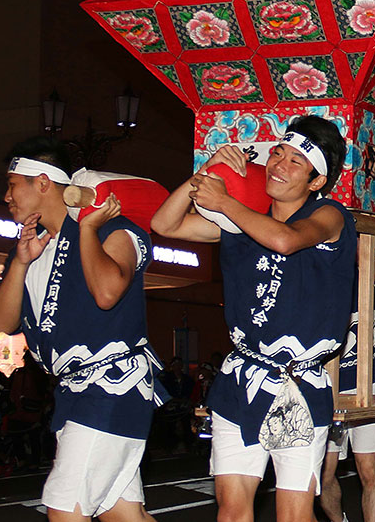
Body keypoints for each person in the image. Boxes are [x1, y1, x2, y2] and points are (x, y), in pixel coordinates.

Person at [151, 115, 355, 522]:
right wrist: (206, 171)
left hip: (297, 384)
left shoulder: (330, 216)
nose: (279, 164)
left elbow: (286, 240)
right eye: (278, 153)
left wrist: (225, 201)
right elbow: (163, 224)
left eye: (296, 161)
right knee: (231, 511)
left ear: (317, 181)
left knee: (294, 516)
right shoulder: (240, 222)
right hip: (242, 379)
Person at [0, 137, 163, 522]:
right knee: (124, 517)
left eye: (13, 183)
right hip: (75, 393)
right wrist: (20, 264)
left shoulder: (113, 229)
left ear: (43, 183)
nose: (6, 196)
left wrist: (87, 229)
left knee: (65, 510)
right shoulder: (30, 247)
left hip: (111, 386)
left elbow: (106, 293)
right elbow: (2, 323)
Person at [321, 249, 375, 522]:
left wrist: (348, 224)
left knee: (370, 468)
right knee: (322, 473)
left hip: (371, 374)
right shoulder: (313, 262)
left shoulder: (363, 255)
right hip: (325, 380)